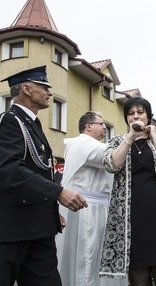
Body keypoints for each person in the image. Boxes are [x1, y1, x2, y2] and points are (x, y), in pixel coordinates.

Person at [0, 66, 88, 285]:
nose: (49, 92)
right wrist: (58, 192)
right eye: (44, 86)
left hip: (39, 227)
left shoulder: (31, 123)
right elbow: (9, 170)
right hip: (13, 229)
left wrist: (50, 209)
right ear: (27, 89)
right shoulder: (10, 121)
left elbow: (41, 170)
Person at [99, 97, 156, 285]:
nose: (136, 116)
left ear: (148, 116)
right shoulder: (117, 141)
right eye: (131, 113)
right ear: (126, 118)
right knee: (138, 275)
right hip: (130, 219)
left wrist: (154, 135)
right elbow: (112, 165)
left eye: (140, 112)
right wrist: (129, 138)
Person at [56, 111, 127, 285]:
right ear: (88, 126)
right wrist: (130, 139)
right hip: (89, 209)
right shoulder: (83, 143)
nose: (104, 127)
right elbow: (110, 158)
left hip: (96, 206)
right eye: (101, 124)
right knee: (89, 257)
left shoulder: (87, 144)